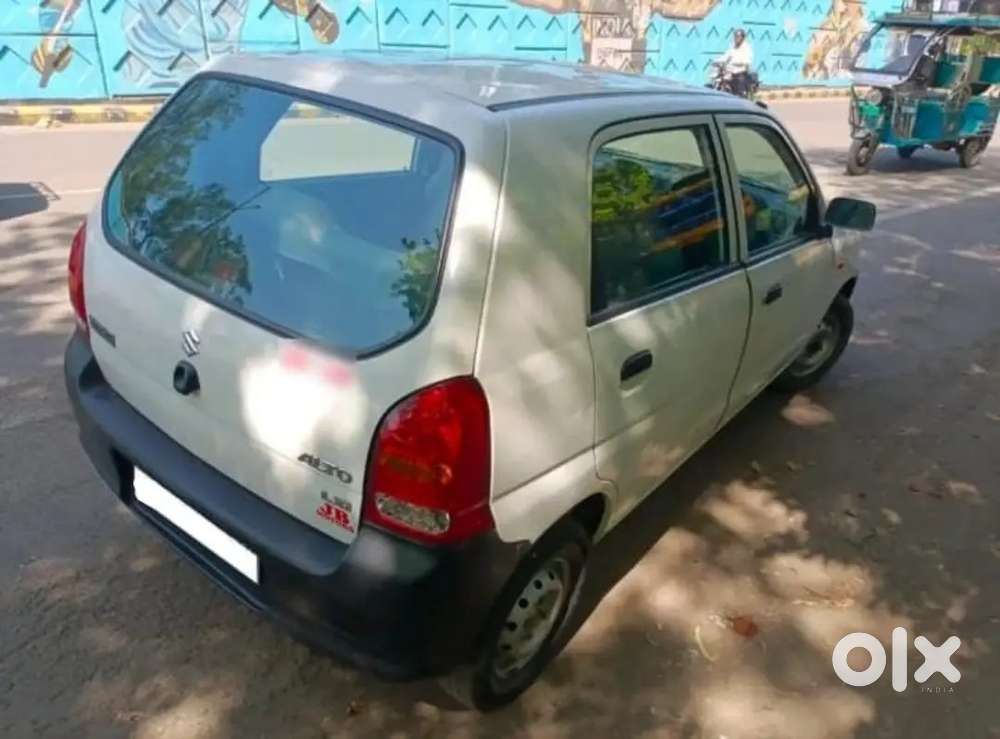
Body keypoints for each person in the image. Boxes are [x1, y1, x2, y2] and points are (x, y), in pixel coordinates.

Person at [717, 29, 754, 97]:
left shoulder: (747, 47)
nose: (736, 38)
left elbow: (748, 61)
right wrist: (717, 61)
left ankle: (741, 97)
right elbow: (726, 55)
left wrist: (736, 63)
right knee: (721, 80)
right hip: (730, 71)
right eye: (735, 36)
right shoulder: (733, 46)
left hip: (740, 72)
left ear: (742, 38)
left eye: (738, 36)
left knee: (739, 87)